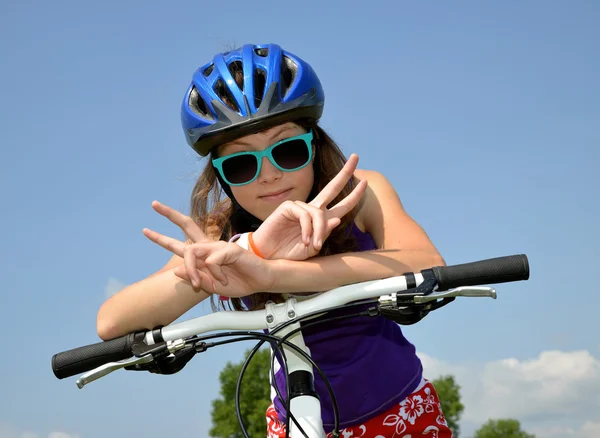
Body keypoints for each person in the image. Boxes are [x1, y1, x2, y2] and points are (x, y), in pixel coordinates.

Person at [97, 43, 453, 437]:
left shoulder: (360, 192)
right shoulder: (221, 233)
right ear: (221, 176)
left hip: (400, 412)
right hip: (293, 421)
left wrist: (270, 275)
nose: (267, 174)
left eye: (286, 151)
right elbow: (112, 320)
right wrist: (248, 252)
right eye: (241, 162)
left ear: (314, 146)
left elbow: (425, 260)